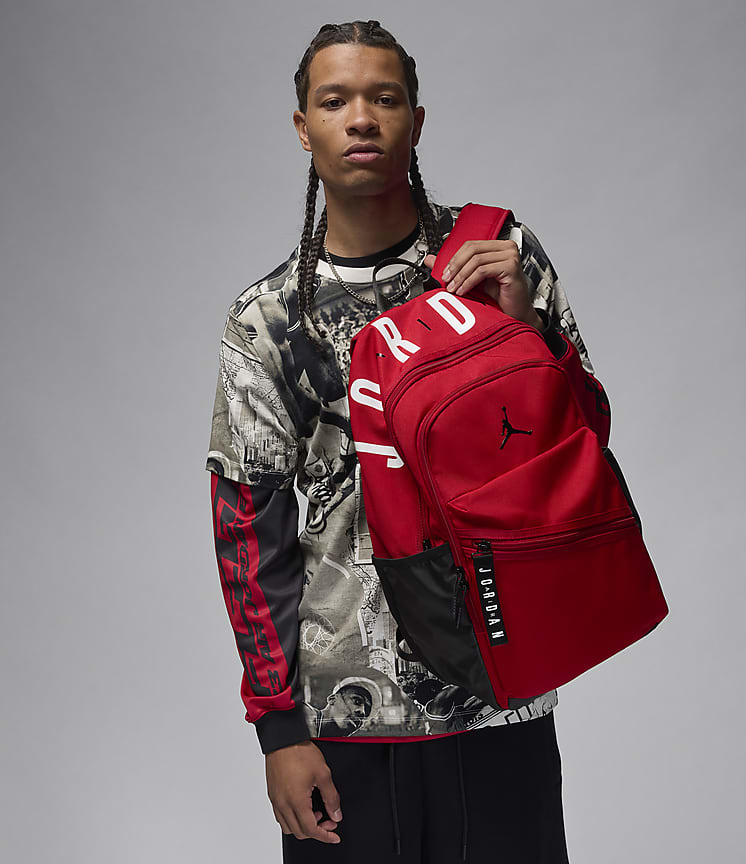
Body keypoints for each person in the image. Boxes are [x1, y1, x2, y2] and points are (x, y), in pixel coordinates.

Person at [206, 19, 601, 863]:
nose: (360, 118)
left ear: (416, 121)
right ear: (303, 127)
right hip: (348, 722)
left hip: (501, 694)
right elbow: (248, 533)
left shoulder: (496, 257)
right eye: (334, 101)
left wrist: (527, 335)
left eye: (384, 98)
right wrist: (279, 730)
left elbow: (586, 441)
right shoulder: (268, 319)